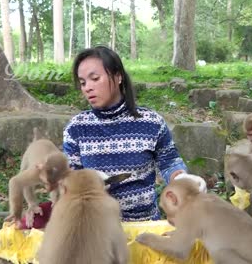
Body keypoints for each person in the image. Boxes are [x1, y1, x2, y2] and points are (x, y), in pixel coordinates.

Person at [20, 46, 206, 227]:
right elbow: (70, 177)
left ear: (117, 77)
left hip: (146, 226)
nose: (87, 88)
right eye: (83, 82)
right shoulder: (77, 128)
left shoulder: (151, 122)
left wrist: (182, 179)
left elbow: (170, 162)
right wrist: (86, 182)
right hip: (96, 230)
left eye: (95, 78)